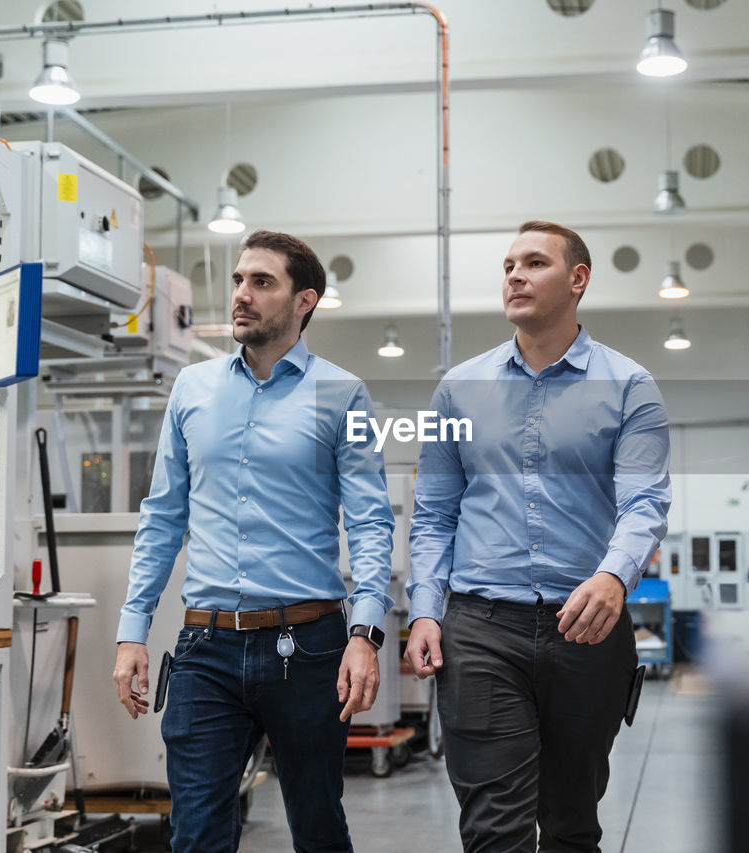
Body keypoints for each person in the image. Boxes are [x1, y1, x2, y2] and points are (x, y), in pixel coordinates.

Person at [113, 230, 394, 853]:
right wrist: (133, 631)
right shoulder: (192, 389)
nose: (242, 294)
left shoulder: (342, 393)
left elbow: (371, 522)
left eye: (262, 282)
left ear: (304, 302)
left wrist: (365, 634)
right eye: (239, 279)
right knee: (197, 834)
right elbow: (162, 517)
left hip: (310, 646)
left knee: (318, 826)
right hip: (205, 649)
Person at [405, 220, 672, 852]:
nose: (514, 276)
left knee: (572, 824)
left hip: (586, 630)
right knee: (495, 830)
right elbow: (434, 513)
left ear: (578, 280)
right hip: (480, 631)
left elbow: (644, 501)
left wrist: (614, 576)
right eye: (507, 266)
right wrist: (423, 611)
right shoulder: (457, 391)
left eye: (533, 263)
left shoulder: (631, 386)